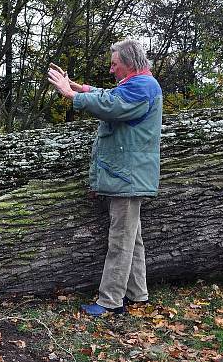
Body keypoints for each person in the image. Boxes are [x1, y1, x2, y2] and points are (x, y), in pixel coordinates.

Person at [47, 38, 163, 317]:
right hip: (126, 176)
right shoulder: (137, 85)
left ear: (129, 63)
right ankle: (138, 293)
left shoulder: (142, 87)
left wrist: (72, 96)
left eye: (114, 64)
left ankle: (111, 301)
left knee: (121, 241)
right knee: (131, 238)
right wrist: (80, 87)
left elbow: (111, 106)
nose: (111, 70)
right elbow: (110, 96)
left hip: (128, 177)